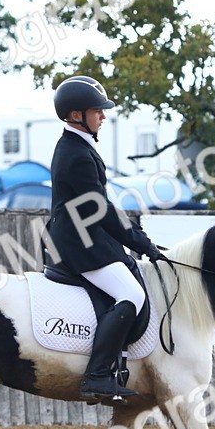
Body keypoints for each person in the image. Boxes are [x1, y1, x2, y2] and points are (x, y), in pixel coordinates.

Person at [46, 75, 165, 401]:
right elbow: (101, 210)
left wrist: (137, 238)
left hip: (85, 234)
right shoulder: (76, 154)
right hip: (78, 242)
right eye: (97, 110)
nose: (103, 115)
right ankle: (97, 376)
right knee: (131, 294)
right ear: (76, 115)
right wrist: (141, 243)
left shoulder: (78, 146)